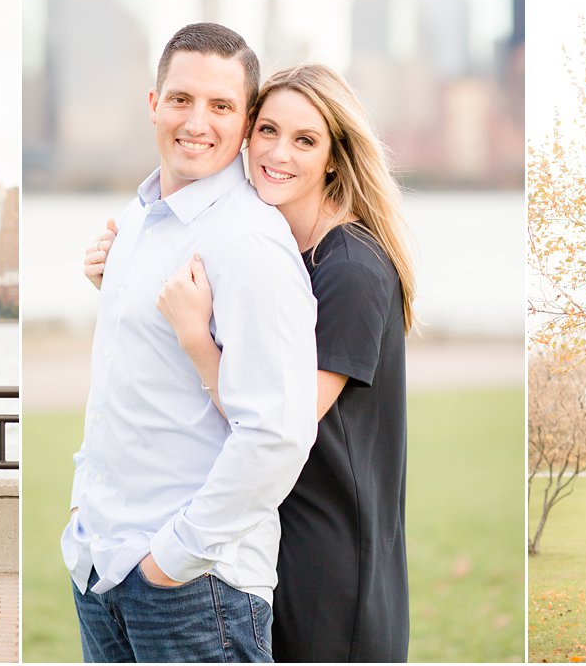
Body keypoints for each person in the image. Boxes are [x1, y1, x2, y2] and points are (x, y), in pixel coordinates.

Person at [107, 63, 413, 661]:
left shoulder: (350, 270)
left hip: (329, 559)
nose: (278, 153)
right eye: (268, 131)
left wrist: (197, 338)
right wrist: (117, 270)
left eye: (305, 140)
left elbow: (279, 417)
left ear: (333, 156)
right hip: (271, 532)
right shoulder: (278, 253)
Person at [64, 22, 318, 662]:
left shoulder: (249, 241)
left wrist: (172, 560)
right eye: (180, 99)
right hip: (101, 569)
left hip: (195, 591)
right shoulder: (140, 221)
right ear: (153, 104)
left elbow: (278, 430)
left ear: (245, 121)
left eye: (221, 106)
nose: (196, 121)